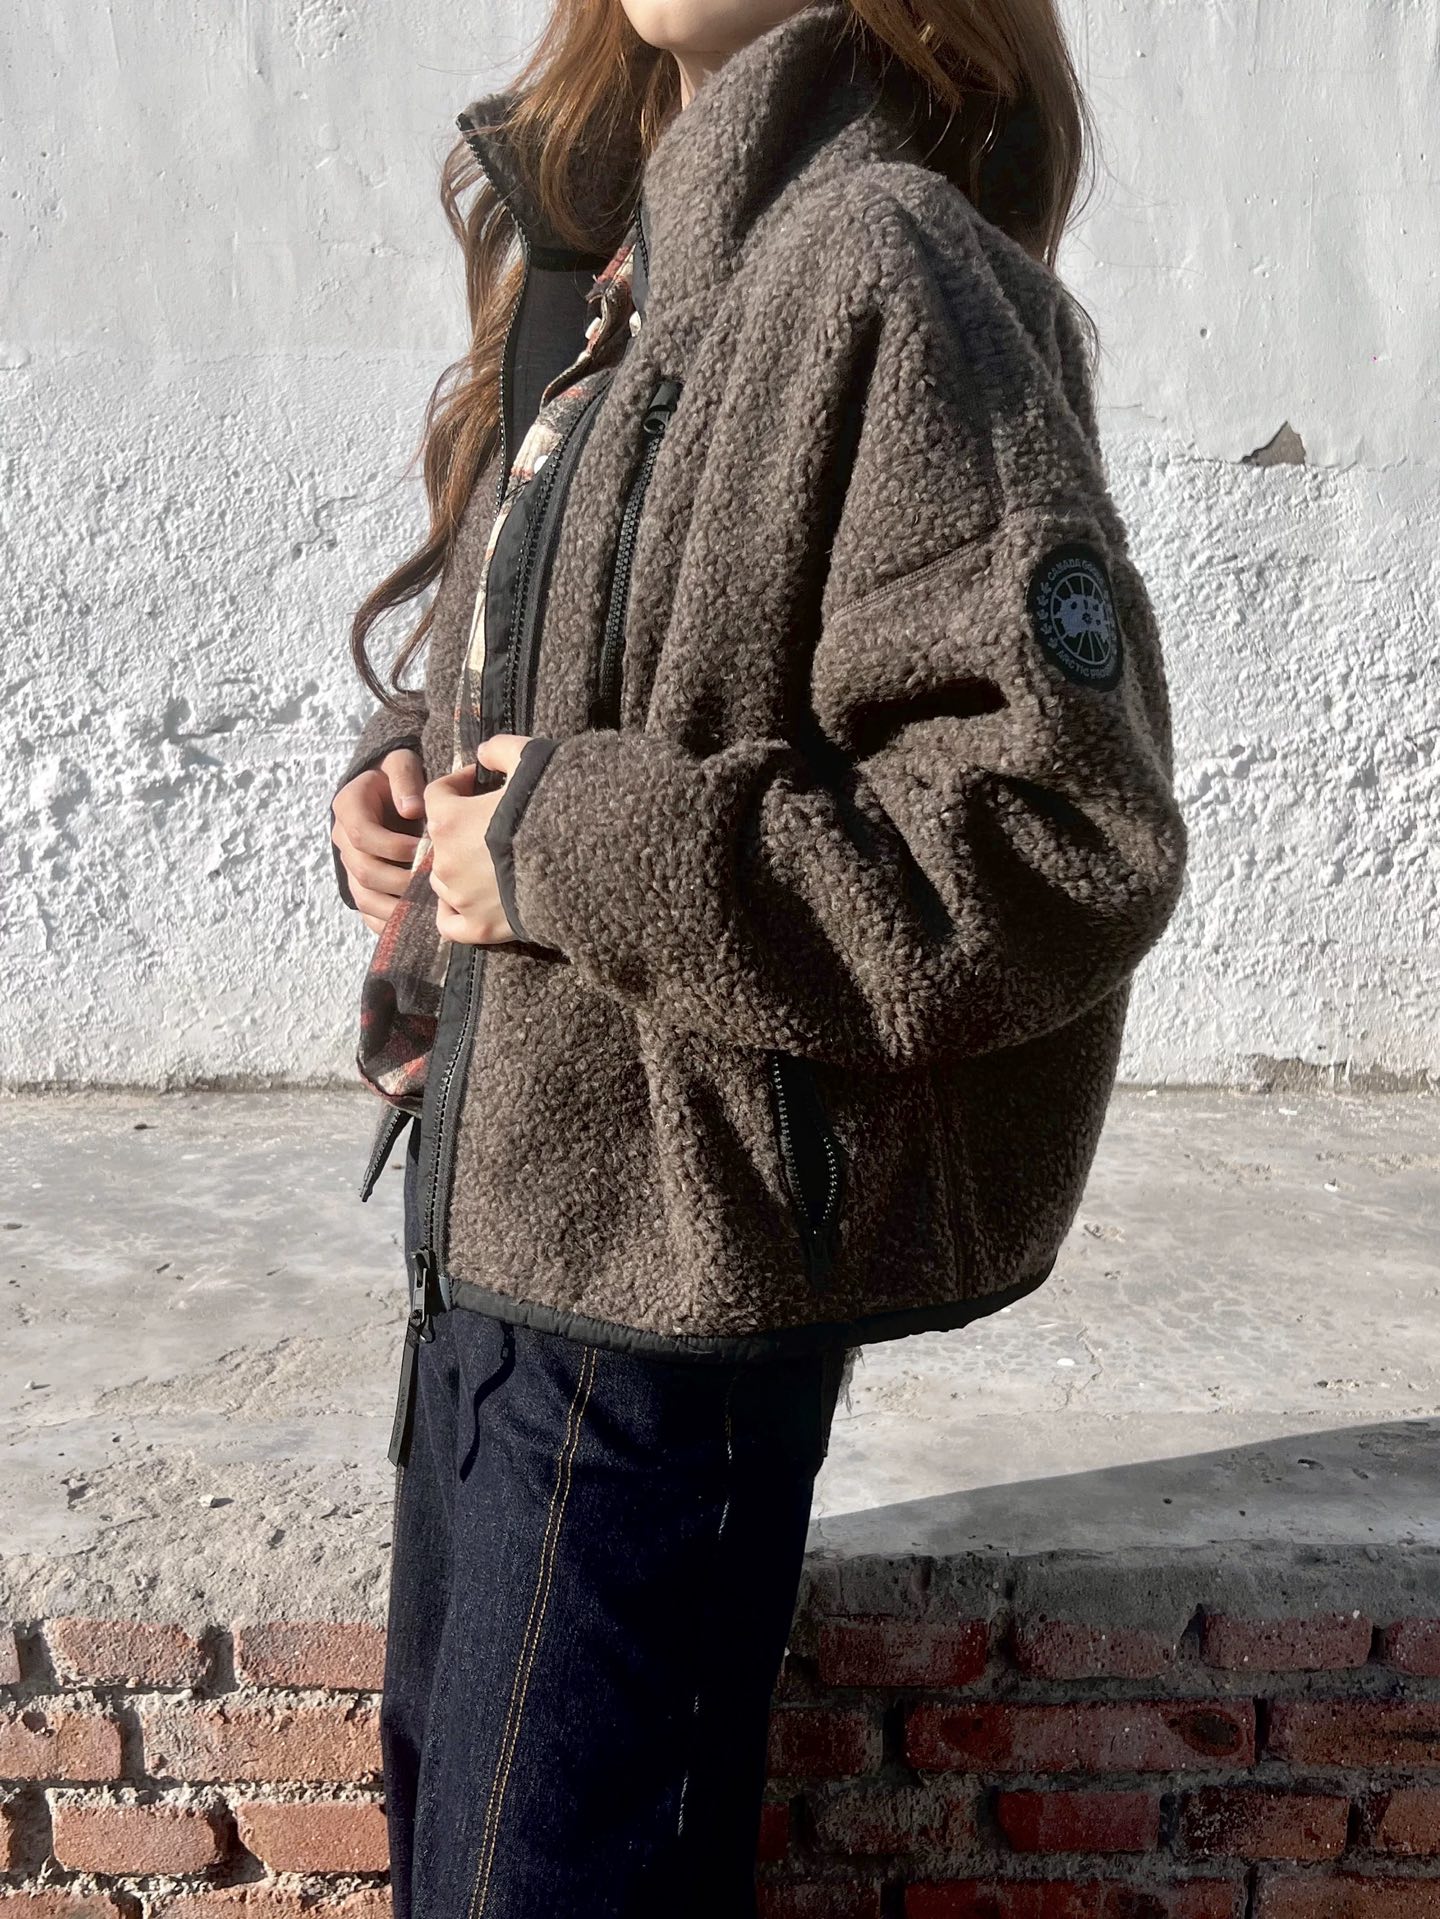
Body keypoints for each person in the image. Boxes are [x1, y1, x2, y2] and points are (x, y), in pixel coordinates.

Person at [327, 0, 1188, 1912]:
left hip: (661, 1314)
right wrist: (416, 785)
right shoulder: (624, 272)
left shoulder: (884, 266)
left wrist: (563, 841)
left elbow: (1057, 836)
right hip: (489, 1264)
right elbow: (614, 695)